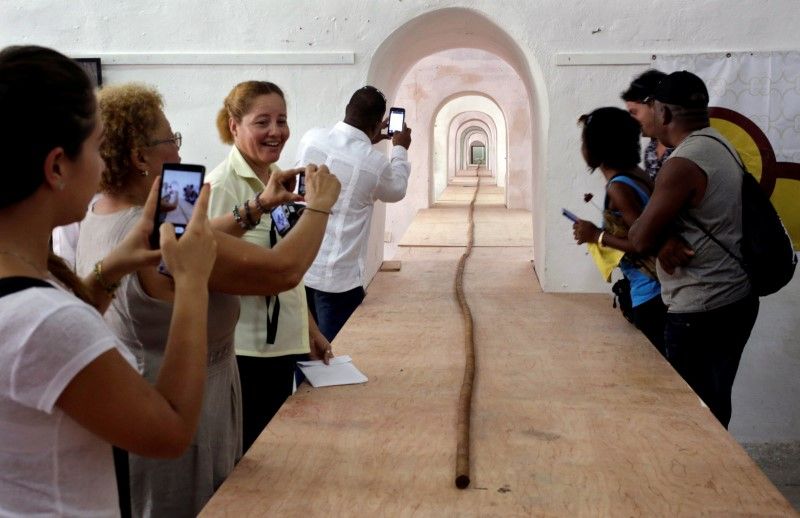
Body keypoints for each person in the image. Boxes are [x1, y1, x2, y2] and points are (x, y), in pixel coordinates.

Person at [75, 82, 340, 515]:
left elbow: (199, 234)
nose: (179, 154)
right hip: (179, 399)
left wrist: (256, 206)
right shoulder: (158, 229)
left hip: (187, 387)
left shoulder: (112, 210)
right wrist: (321, 207)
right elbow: (281, 271)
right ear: (140, 158)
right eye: (171, 141)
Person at [0, 45, 216, 516]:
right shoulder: (43, 321)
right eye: (97, 147)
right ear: (57, 166)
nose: (104, 166)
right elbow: (171, 431)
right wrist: (194, 281)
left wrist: (112, 268)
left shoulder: (25, 286)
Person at [207, 81, 337, 453]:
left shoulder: (276, 176)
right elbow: (213, 273)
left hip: (281, 346)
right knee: (250, 457)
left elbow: (286, 265)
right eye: (262, 121)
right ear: (234, 126)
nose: (276, 131)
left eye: (281, 120)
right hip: (246, 352)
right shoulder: (222, 187)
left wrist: (307, 327)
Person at [629, 71, 759, 428]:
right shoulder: (717, 143)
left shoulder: (683, 163)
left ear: (665, 114)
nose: (646, 115)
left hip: (701, 306)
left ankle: (703, 480)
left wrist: (655, 231)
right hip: (733, 297)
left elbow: (639, 237)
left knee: (693, 417)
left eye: (650, 107)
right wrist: (666, 234)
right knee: (714, 405)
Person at [296, 85, 413, 341]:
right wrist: (400, 149)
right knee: (327, 354)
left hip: (300, 268)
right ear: (375, 125)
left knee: (301, 349)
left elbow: (344, 151)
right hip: (338, 279)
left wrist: (365, 137)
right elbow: (397, 190)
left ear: (347, 111)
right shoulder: (375, 162)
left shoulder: (311, 138)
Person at [571, 107, 667, 355]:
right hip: (661, 288)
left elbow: (643, 242)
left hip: (650, 293)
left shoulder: (619, 188)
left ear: (597, 146)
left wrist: (596, 236)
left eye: (585, 140)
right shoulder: (638, 174)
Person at [622, 69, 673, 179]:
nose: (631, 120)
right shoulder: (651, 149)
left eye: (634, 112)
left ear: (654, 105)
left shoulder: (685, 149)